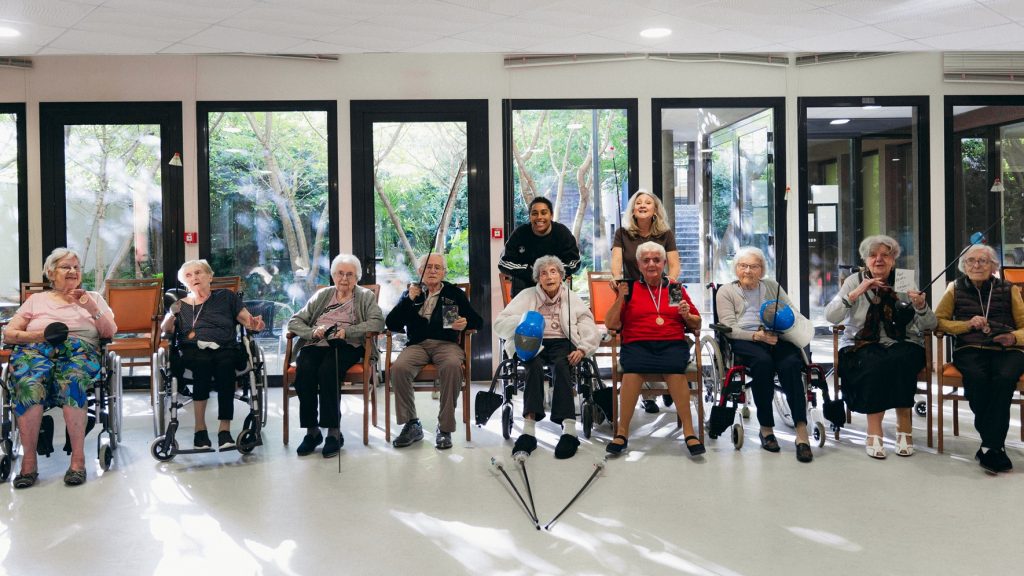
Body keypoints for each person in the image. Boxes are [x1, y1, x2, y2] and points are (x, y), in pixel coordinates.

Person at [5, 248, 117, 488]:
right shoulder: (36, 300)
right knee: (28, 386)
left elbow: (109, 333)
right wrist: (43, 335)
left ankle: (78, 461)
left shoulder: (94, 297)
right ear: (50, 272)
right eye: (66, 267)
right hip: (37, 349)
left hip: (79, 350)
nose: (73, 271)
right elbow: (10, 333)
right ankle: (29, 462)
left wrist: (89, 307)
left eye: (76, 267)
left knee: (72, 382)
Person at [824, 235, 936, 459]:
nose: (879, 260)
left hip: (902, 340)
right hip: (861, 342)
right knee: (873, 363)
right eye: (873, 255)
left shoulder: (903, 280)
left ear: (893, 259)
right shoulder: (854, 280)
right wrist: (857, 292)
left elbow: (930, 325)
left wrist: (921, 306)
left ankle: (904, 428)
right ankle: (873, 431)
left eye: (885, 255)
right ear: (865, 260)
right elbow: (831, 316)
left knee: (900, 360)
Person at [604, 241, 705, 457]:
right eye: (646, 260)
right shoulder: (629, 289)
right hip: (637, 344)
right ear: (639, 265)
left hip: (671, 343)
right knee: (633, 370)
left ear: (664, 263)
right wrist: (620, 297)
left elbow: (697, 324)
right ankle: (622, 432)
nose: (651, 264)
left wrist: (687, 315)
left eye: (656, 260)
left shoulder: (674, 289)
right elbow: (611, 325)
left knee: (674, 369)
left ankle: (689, 431)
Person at [494, 255, 601, 459]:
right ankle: (528, 431)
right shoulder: (526, 296)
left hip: (563, 342)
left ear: (561, 276)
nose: (549, 277)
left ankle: (569, 430)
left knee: (563, 365)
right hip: (532, 342)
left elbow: (588, 324)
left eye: (553, 272)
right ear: (538, 278)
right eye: (543, 273)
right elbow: (500, 324)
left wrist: (583, 349)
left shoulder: (571, 297)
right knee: (533, 366)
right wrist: (524, 320)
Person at [716, 246, 814, 462]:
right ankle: (766, 428)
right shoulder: (726, 291)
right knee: (763, 363)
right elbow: (729, 328)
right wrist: (756, 337)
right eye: (743, 266)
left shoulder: (772, 286)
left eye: (754, 266)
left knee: (791, 363)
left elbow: (792, 313)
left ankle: (801, 431)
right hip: (745, 339)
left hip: (775, 335)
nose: (748, 271)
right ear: (736, 269)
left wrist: (781, 325)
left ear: (762, 270)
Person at [935, 244, 1024, 473]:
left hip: (1007, 349)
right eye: (971, 261)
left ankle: (989, 445)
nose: (976, 265)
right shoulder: (954, 288)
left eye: (983, 261)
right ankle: (995, 446)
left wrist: (1013, 337)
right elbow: (939, 321)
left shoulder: (1009, 289)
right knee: (977, 378)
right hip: (970, 346)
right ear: (963, 266)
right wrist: (966, 324)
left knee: (1004, 379)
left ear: (993, 266)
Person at [160, 259, 265, 453]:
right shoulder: (179, 305)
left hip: (225, 347)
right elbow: (166, 331)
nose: (195, 277)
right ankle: (200, 430)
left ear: (210, 276)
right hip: (192, 350)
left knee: (226, 366)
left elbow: (246, 320)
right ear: (185, 283)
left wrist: (254, 324)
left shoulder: (226, 297)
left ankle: (224, 431)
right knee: (202, 364)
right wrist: (169, 317)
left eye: (199, 272)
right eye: (189, 275)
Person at [287, 254, 384, 458]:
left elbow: (377, 323)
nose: (344, 279)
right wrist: (312, 332)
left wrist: (347, 331)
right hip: (317, 342)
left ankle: (333, 432)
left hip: (347, 344)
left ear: (357, 277)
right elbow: (295, 321)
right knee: (304, 368)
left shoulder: (365, 296)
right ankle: (312, 431)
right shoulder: (323, 295)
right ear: (333, 275)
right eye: (340, 273)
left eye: (350, 274)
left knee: (329, 369)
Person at [387, 253, 482, 450]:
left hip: (446, 344)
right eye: (428, 267)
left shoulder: (453, 293)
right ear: (420, 271)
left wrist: (464, 324)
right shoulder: (412, 293)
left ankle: (445, 428)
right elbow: (392, 323)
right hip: (417, 345)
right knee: (399, 368)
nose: (432, 271)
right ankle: (412, 424)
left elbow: (477, 321)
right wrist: (407, 301)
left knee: (452, 365)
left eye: (437, 268)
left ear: (444, 272)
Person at [611, 189, 680, 414]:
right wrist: (616, 279)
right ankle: (648, 392)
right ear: (632, 209)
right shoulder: (622, 233)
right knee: (637, 335)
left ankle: (671, 381)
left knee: (674, 326)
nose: (642, 205)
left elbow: (675, 265)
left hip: (662, 286)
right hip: (634, 288)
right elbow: (616, 263)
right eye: (637, 202)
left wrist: (669, 283)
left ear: (655, 210)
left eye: (647, 202)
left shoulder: (666, 233)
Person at [498, 196, 581, 297]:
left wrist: (552, 272)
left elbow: (574, 262)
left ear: (551, 215)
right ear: (530, 216)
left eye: (544, 212)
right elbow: (503, 263)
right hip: (524, 293)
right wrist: (532, 272)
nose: (539, 217)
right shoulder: (520, 234)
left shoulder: (562, 233)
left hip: (556, 294)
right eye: (534, 213)